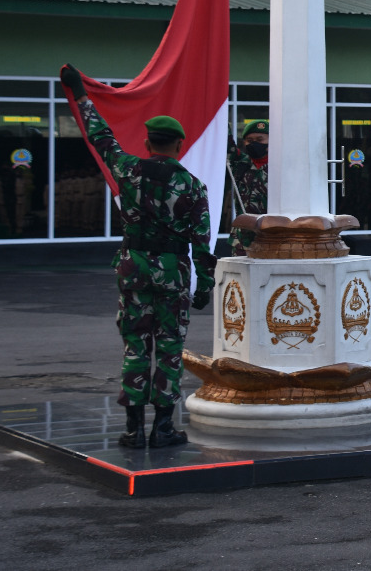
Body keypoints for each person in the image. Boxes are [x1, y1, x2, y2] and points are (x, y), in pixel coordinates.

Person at [59, 64, 215, 449]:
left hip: (134, 267)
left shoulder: (127, 170)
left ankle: (132, 429)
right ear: (178, 145)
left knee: (135, 346)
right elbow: (202, 243)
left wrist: (81, 95)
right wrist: (205, 287)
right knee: (169, 349)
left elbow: (100, 137)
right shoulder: (193, 186)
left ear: (148, 143)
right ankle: (163, 428)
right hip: (173, 272)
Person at [227, 119, 269, 256]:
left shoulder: (282, 167)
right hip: (242, 241)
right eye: (249, 140)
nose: (254, 143)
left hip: (271, 238)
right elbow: (226, 143)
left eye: (259, 139)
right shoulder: (240, 163)